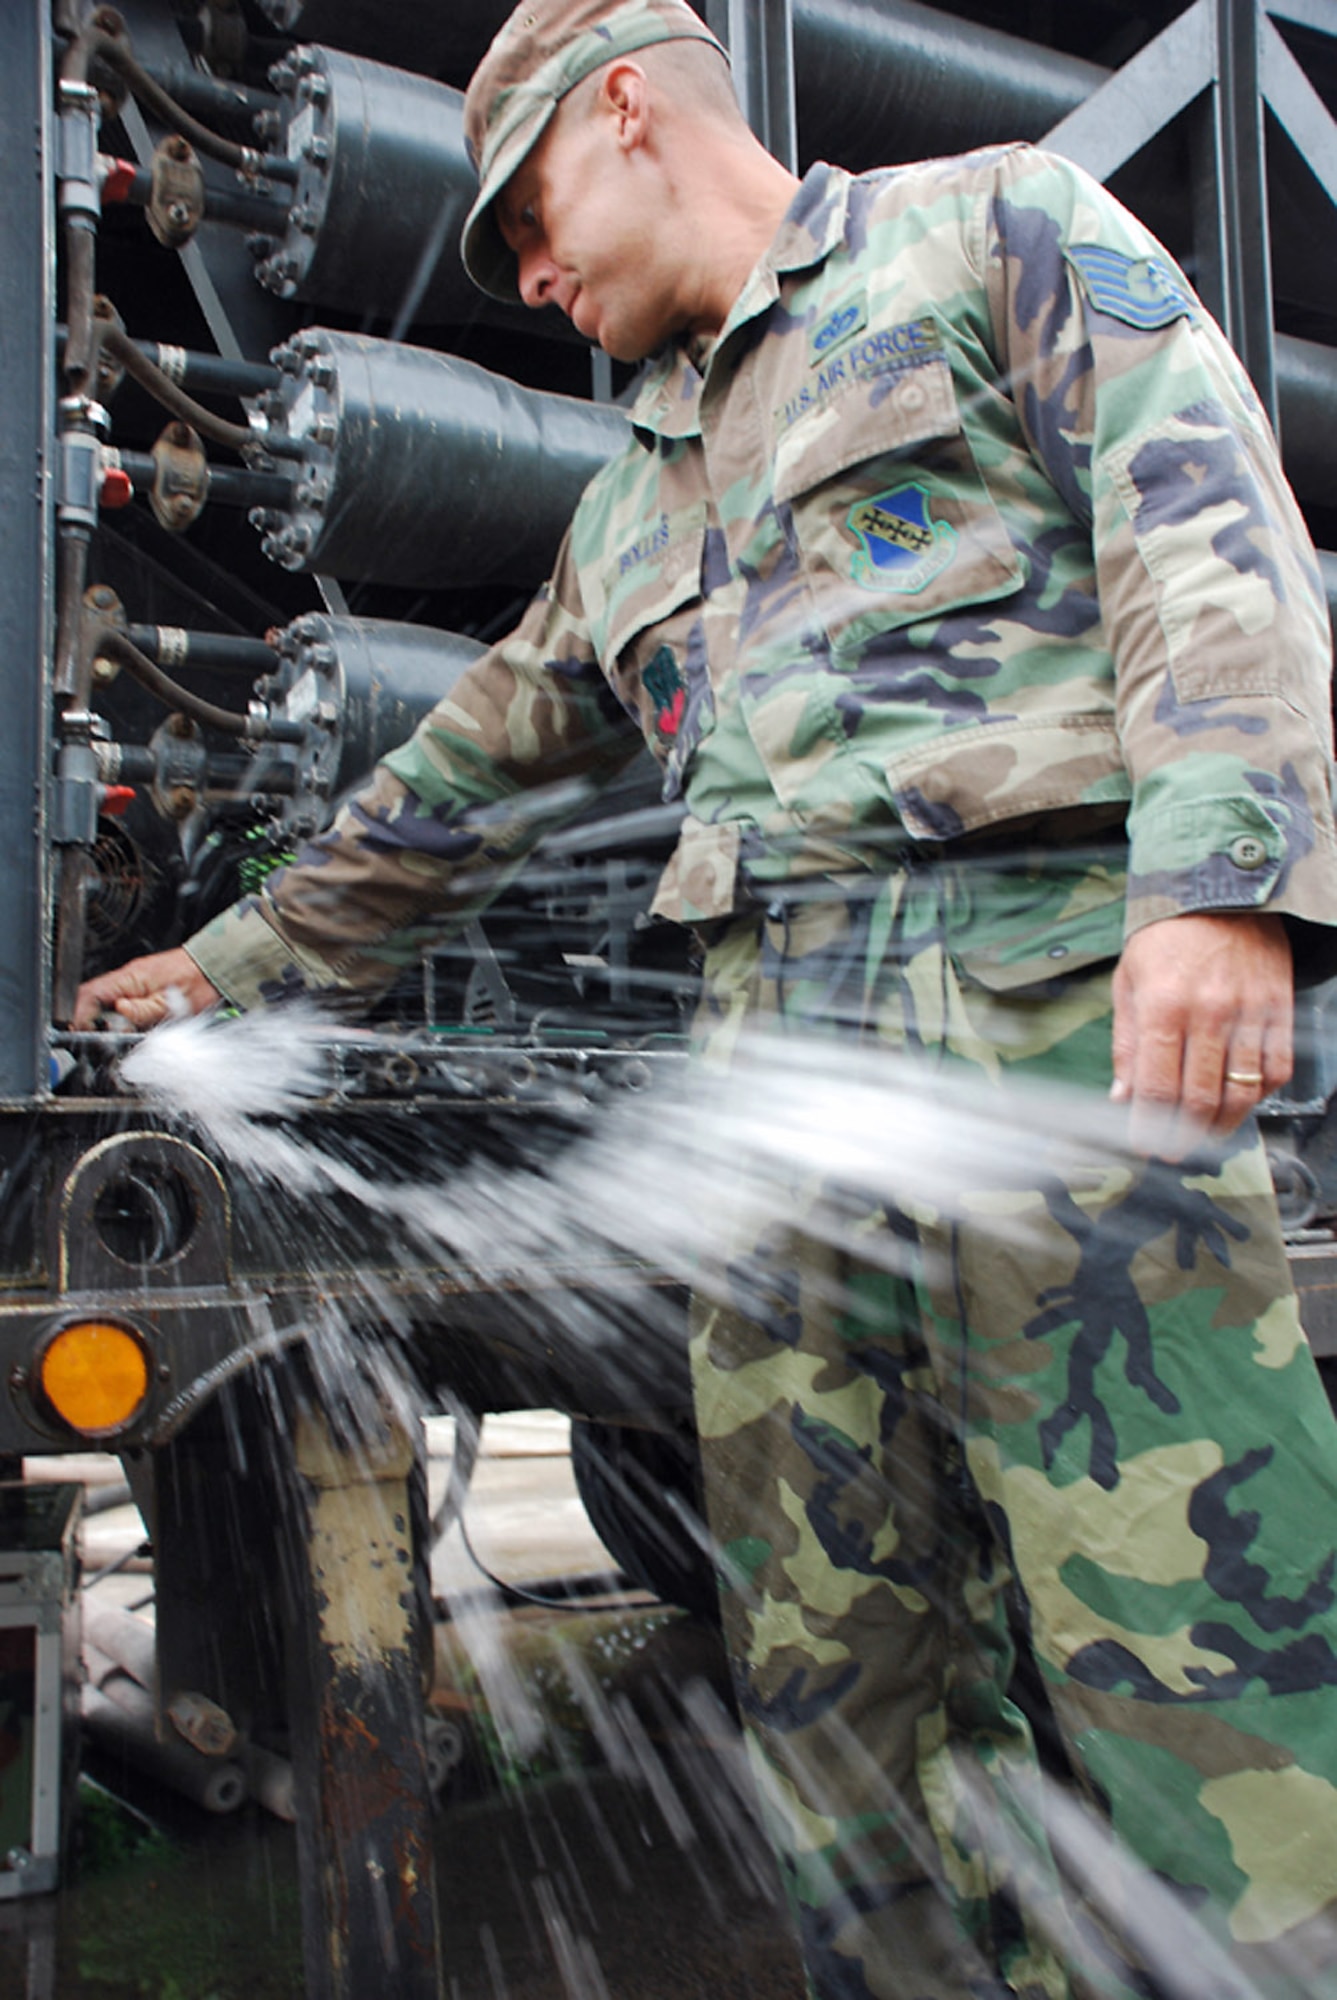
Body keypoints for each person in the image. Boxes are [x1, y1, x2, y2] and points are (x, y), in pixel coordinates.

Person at [76, 2, 1337, 1994]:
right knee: (839, 1703)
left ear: (630, 105)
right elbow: (457, 787)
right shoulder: (629, 506)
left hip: (1057, 1043)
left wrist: (1221, 882)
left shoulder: (984, 230)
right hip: (778, 1095)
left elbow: (1200, 513)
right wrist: (222, 968)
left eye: (528, 220)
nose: (533, 277)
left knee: (1204, 1687)